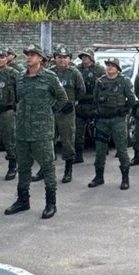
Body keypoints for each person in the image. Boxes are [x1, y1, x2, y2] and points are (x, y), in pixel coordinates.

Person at [6, 45, 68, 219]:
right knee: (23, 167)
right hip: (23, 131)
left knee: (47, 167)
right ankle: (23, 200)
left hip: (42, 131)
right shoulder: (20, 77)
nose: (29, 57)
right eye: (27, 55)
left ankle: (50, 204)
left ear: (41, 59)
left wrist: (48, 113)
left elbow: (62, 98)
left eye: (33, 55)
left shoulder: (49, 77)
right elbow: (19, 100)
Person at [89, 57, 137, 190]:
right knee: (100, 150)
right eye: (108, 65)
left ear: (117, 68)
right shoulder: (100, 82)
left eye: (112, 65)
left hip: (118, 120)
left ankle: (125, 178)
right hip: (102, 121)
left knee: (121, 149)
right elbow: (95, 100)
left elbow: (132, 100)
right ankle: (99, 176)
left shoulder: (124, 81)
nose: (110, 67)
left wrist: (125, 110)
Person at [50, 45, 85, 182]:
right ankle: (46, 169)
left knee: (67, 141)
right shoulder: (50, 72)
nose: (62, 60)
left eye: (65, 57)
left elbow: (81, 90)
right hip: (53, 110)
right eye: (59, 57)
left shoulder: (74, 73)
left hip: (67, 112)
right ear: (55, 58)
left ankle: (68, 170)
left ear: (69, 59)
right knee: (49, 140)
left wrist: (72, 102)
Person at [0, 48, 19, 180]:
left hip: (7, 112)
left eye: (2, 57)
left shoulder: (14, 74)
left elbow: (21, 92)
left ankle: (12, 167)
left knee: (9, 140)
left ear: (7, 58)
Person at [74, 49, 103, 164]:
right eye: (82, 56)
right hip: (81, 105)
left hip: (94, 104)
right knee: (78, 132)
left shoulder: (99, 70)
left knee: (98, 130)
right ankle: (79, 155)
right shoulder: (77, 70)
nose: (84, 58)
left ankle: (101, 153)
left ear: (91, 58)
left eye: (86, 56)